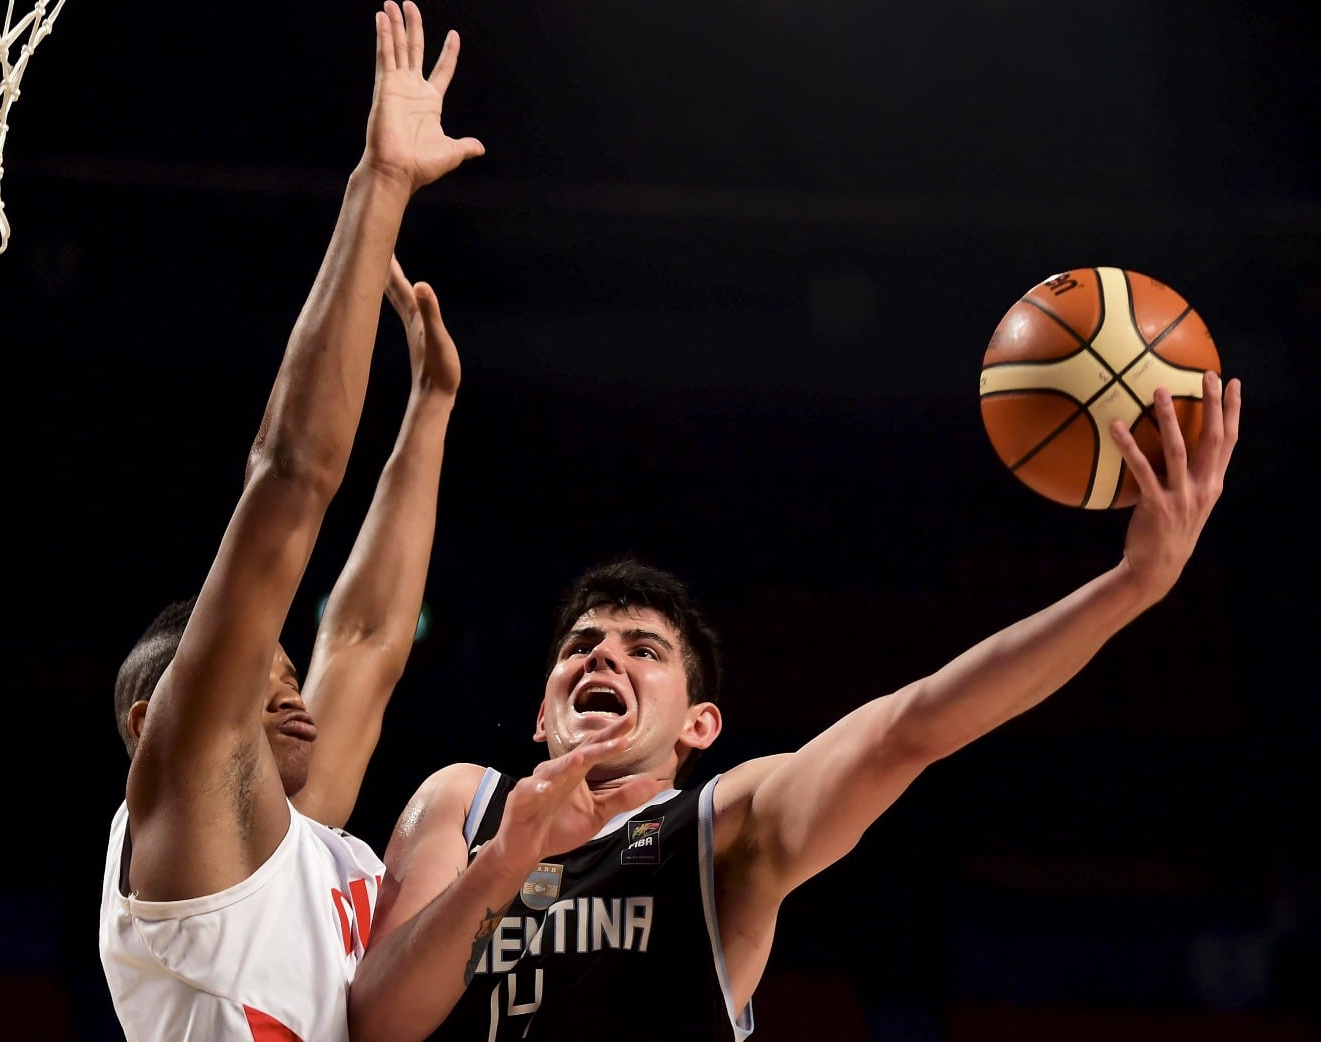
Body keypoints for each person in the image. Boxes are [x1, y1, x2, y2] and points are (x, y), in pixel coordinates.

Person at [347, 371, 1242, 1041]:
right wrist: (504, 863)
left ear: (700, 726)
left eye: (643, 651)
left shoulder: (722, 826)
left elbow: (911, 728)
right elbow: (380, 1021)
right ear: (541, 715)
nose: (604, 655)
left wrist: (1131, 587)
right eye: (581, 646)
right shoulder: (463, 803)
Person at [97, 0, 483, 1042]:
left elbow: (363, 639)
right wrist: (382, 186)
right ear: (153, 721)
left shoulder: (296, 842)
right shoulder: (185, 805)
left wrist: (431, 412)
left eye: (284, 674)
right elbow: (289, 474)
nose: (296, 694)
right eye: (263, 683)